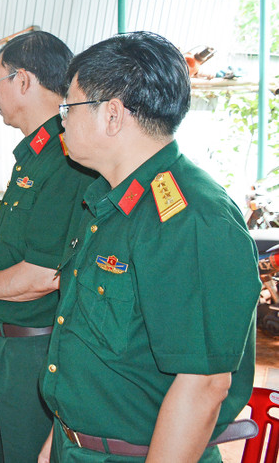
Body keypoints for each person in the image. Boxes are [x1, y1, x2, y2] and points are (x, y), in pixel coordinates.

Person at [39, 32, 260, 462]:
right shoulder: (111, 202)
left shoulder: (191, 219)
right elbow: (93, 350)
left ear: (113, 115)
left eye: (69, 106)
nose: (60, 119)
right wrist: (60, 439)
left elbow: (204, 385)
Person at [0, 31, 96, 462]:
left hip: (38, 351)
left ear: (24, 81)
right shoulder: (36, 154)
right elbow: (17, 249)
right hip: (7, 346)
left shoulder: (67, 157)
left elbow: (44, 274)